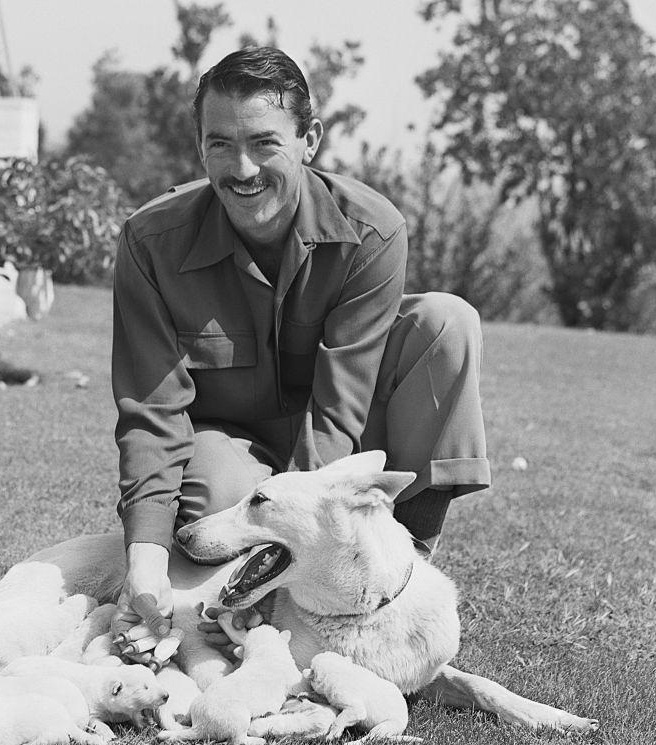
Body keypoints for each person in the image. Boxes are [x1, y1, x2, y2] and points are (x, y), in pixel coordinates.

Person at [110, 46, 490, 640]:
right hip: (231, 444)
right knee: (212, 501)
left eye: (265, 143)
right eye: (220, 144)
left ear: (308, 139)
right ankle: (252, 597)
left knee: (446, 323)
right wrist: (147, 558)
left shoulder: (372, 229)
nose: (242, 169)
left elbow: (340, 408)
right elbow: (151, 413)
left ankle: (398, 570)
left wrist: (301, 520)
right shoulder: (149, 242)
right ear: (199, 144)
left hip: (344, 435)